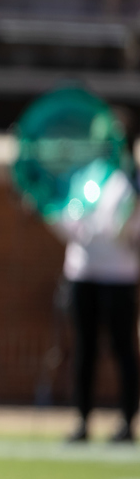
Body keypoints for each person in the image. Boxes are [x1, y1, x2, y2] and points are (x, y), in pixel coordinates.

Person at [46, 166, 139, 443]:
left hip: (119, 275)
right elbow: (68, 216)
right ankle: (83, 419)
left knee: (123, 348)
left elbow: (126, 230)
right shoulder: (86, 177)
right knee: (84, 348)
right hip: (84, 273)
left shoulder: (130, 182)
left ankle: (126, 420)